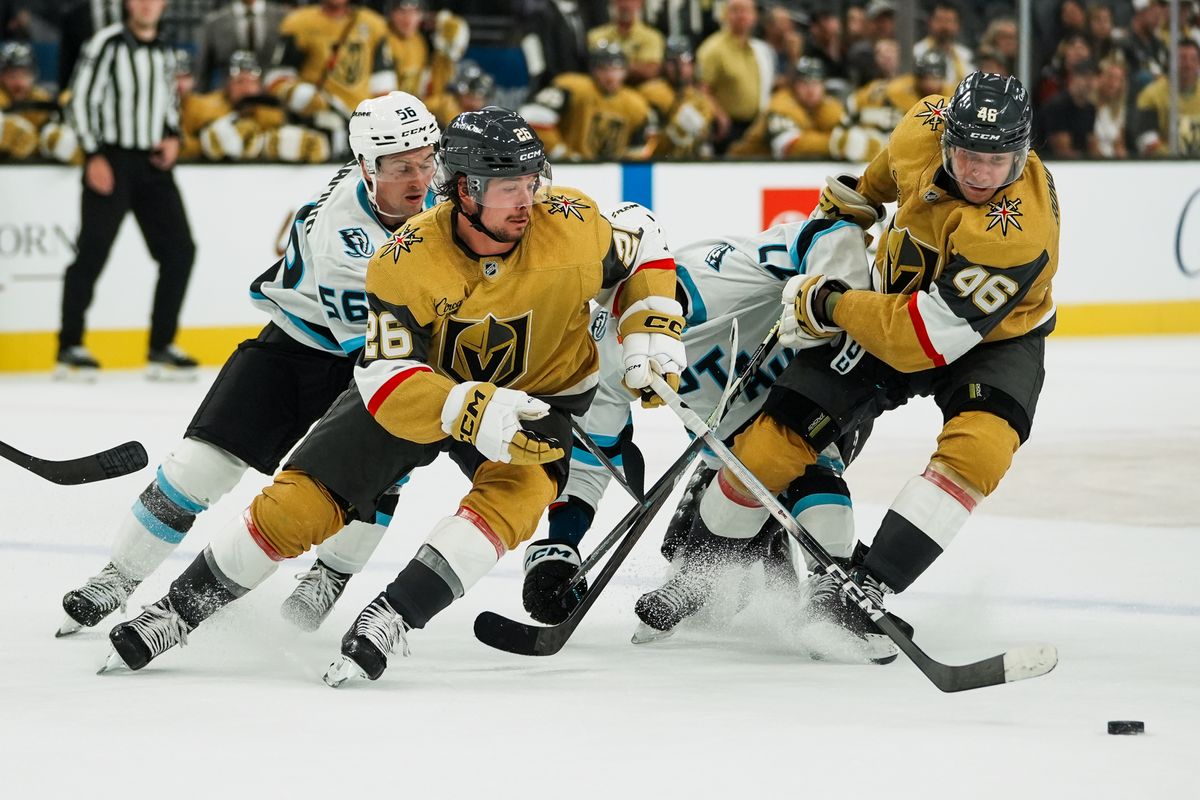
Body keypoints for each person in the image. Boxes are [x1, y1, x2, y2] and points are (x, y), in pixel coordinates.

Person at [101, 108, 687, 687]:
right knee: (299, 505)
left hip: (541, 397)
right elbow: (385, 374)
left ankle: (394, 615)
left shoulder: (572, 224)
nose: (526, 201)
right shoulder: (404, 259)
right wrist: (470, 409)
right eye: (509, 188)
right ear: (463, 189)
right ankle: (177, 611)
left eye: (531, 182)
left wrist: (651, 328)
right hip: (422, 389)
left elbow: (647, 248)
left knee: (521, 491)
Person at [636, 72, 1059, 662]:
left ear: (1023, 151)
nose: (979, 173)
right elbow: (867, 191)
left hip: (988, 340)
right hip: (888, 303)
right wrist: (841, 218)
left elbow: (923, 341)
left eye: (997, 160)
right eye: (967, 154)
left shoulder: (1015, 232)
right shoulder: (922, 127)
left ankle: (862, 589)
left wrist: (827, 301)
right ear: (946, 140)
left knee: (980, 450)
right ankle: (702, 571)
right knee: (770, 444)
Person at [56, 91, 440, 637]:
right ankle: (118, 577)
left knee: (378, 479)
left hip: (377, 351)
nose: (421, 179)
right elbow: (386, 349)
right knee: (200, 466)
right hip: (302, 348)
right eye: (403, 167)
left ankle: (330, 574)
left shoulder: (441, 196)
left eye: (427, 161)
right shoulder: (340, 237)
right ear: (365, 167)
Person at [57, 0, 196, 379]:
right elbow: (80, 100)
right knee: (93, 251)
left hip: (152, 164)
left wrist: (172, 136)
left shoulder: (166, 49)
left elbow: (168, 101)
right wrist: (93, 154)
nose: (148, 5)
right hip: (111, 159)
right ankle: (69, 345)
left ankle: (160, 346)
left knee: (180, 251)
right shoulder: (105, 43)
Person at [520, 39, 655, 161]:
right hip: (570, 171)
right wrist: (562, 154)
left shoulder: (636, 104)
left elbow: (640, 148)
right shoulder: (573, 88)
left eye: (616, 68)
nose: (610, 75)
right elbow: (532, 116)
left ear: (625, 71)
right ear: (593, 69)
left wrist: (624, 166)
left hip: (613, 176)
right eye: (603, 68)